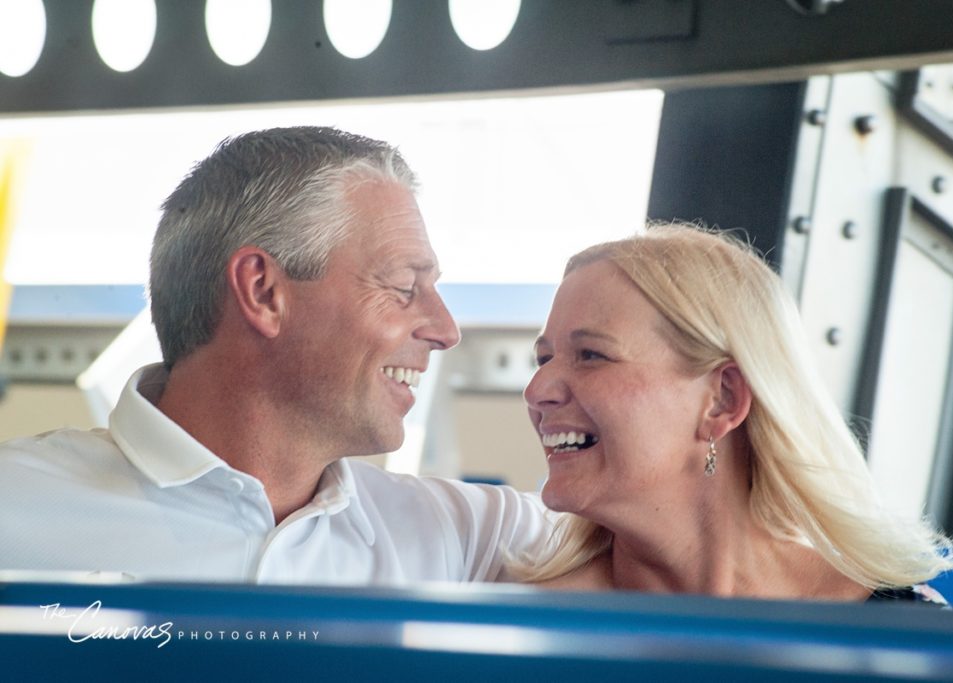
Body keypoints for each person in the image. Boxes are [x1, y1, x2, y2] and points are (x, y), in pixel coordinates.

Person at [0, 126, 551, 584]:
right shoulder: (14, 509)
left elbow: (634, 531)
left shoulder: (466, 535)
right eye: (404, 286)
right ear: (263, 292)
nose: (444, 329)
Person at [513, 222, 953, 603]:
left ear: (723, 399)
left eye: (591, 355)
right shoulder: (522, 627)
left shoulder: (902, 622)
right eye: (543, 358)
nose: (537, 390)